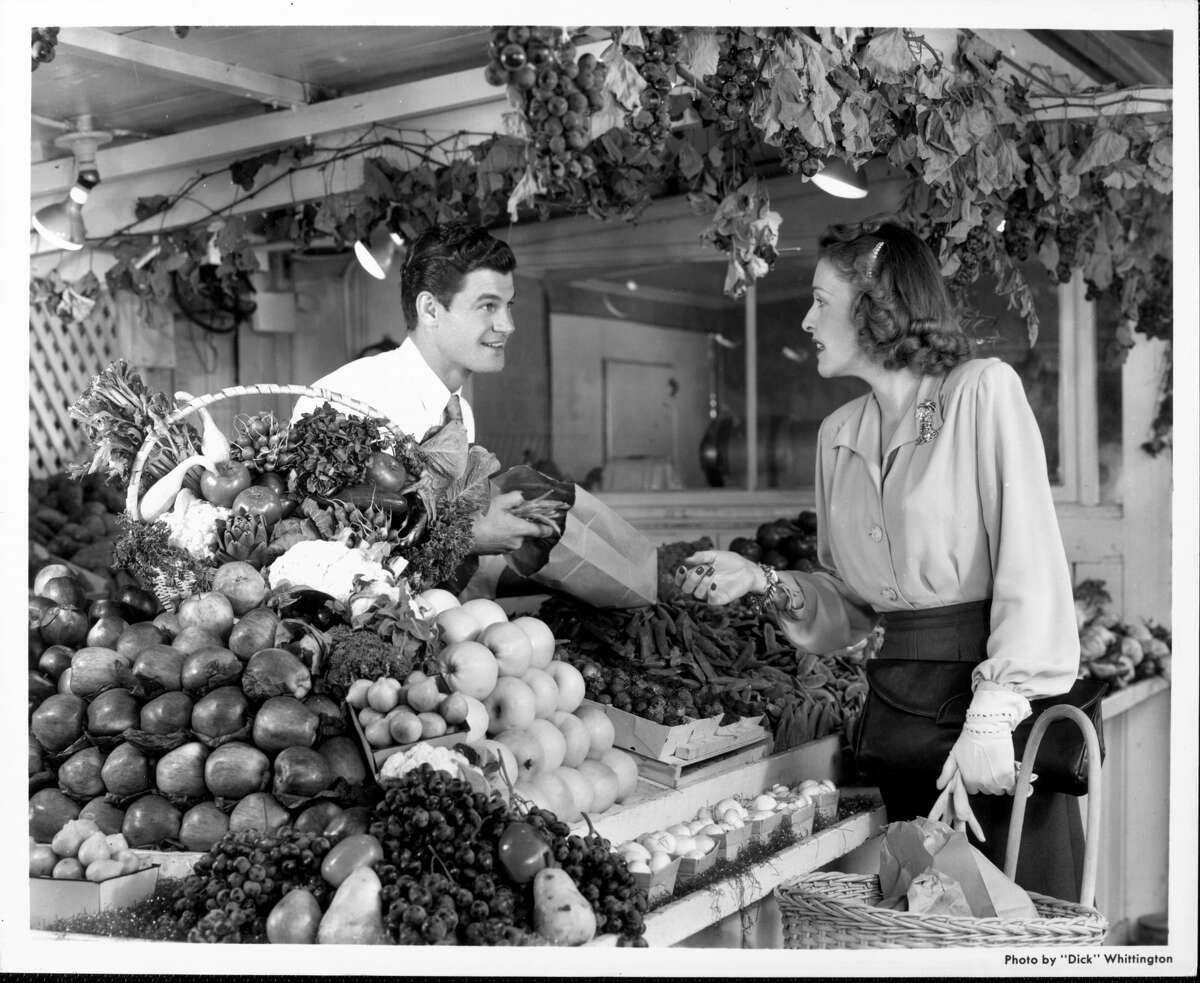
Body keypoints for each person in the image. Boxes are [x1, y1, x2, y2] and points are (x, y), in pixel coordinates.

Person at [675, 216, 1083, 900]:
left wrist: (991, 715)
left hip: (991, 730)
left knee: (1008, 918)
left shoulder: (980, 392)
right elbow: (856, 607)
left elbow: (1031, 558)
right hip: (899, 726)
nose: (805, 320)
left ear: (876, 305)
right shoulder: (839, 435)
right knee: (919, 927)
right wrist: (762, 579)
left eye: (820, 301)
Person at [294, 221, 541, 555]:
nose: (507, 326)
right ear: (430, 309)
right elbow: (327, 548)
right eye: (488, 306)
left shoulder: (458, 411)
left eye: (508, 305)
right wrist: (472, 538)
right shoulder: (349, 397)